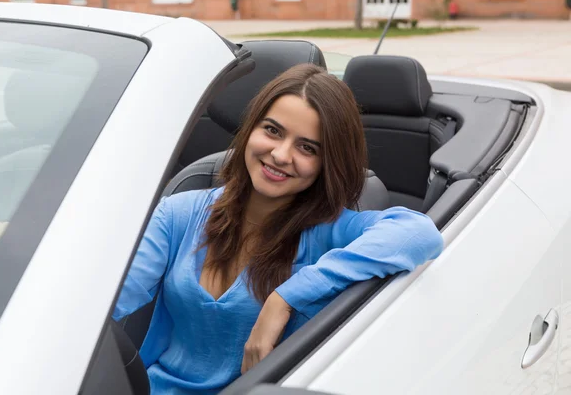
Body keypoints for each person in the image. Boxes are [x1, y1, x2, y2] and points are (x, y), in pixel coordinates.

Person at [113, 64, 444, 394]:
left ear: (327, 162)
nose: (280, 155)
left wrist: (285, 297)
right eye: (272, 130)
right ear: (251, 129)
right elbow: (108, 304)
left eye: (307, 148)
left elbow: (419, 232)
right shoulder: (178, 214)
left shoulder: (330, 232)